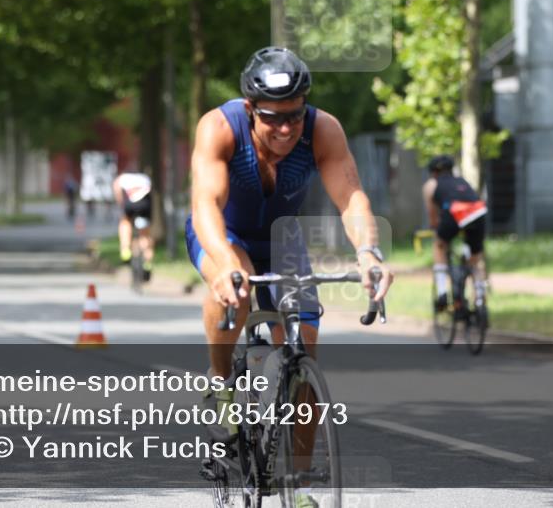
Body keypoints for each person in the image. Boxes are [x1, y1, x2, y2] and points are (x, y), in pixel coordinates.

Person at [186, 46, 394, 492]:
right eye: (271, 117)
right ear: (249, 109)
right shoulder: (220, 127)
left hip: (282, 237)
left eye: (293, 116)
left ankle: (297, 484)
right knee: (236, 287)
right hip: (224, 233)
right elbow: (206, 203)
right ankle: (221, 385)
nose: (284, 128)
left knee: (305, 342)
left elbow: (351, 198)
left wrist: (369, 253)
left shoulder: (322, 130)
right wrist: (223, 264)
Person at [422, 154, 489, 312]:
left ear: (433, 172)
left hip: (453, 214)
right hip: (477, 213)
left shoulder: (431, 184)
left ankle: (442, 292)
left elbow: (433, 217)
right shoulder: (462, 181)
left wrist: (436, 229)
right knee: (475, 258)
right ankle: (479, 298)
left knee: (439, 246)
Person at [112, 170, 154, 278]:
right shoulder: (145, 177)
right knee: (145, 235)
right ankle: (147, 263)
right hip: (145, 204)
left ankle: (125, 249)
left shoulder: (124, 177)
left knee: (125, 222)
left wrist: (120, 202)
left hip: (130, 203)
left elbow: (116, 188)